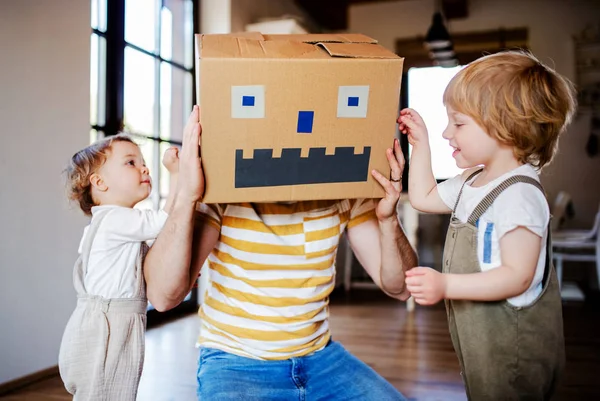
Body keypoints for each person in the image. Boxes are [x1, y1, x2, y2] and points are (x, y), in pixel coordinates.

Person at [143, 105, 418, 400]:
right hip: (236, 363)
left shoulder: (344, 189)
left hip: (321, 359)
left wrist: (389, 219)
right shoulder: (222, 192)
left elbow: (400, 287)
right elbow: (163, 296)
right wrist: (186, 193)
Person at [399, 51, 576, 400]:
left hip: (513, 354)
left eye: (459, 123)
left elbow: (517, 276)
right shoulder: (472, 181)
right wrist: (420, 144)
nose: (448, 131)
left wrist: (445, 284)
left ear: (506, 126)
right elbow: (423, 197)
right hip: (482, 344)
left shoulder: (519, 194)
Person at [58, 134, 179, 400]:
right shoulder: (115, 219)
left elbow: (145, 262)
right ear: (99, 183)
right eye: (130, 163)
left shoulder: (114, 224)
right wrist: (177, 175)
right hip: (107, 331)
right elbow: (165, 221)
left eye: (143, 162)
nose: (144, 168)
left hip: (103, 324)